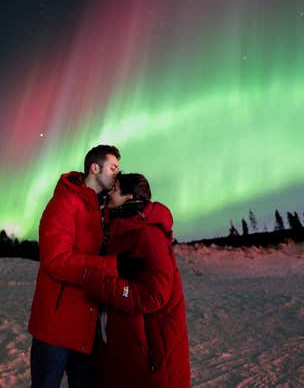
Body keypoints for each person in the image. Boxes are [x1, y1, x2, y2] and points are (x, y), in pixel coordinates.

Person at [81, 173, 190, 388]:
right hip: (127, 352)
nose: (109, 193)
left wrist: (103, 286)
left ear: (129, 196)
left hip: (148, 359)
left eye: (114, 189)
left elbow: (154, 295)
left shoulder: (149, 235)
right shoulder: (121, 233)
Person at [28, 145, 122, 388]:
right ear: (94, 168)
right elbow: (56, 261)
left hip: (88, 328)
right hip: (57, 328)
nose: (116, 174)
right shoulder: (66, 202)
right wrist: (109, 265)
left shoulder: (102, 210)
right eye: (113, 168)